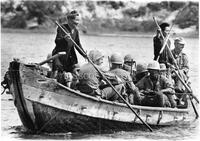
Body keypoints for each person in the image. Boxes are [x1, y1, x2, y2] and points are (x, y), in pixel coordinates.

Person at [52, 10, 86, 77]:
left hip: (70, 57)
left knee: (74, 74)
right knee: (55, 74)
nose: (77, 23)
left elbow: (78, 44)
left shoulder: (76, 31)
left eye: (78, 21)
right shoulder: (62, 28)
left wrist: (84, 54)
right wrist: (64, 39)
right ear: (69, 20)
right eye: (75, 21)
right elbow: (57, 41)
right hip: (59, 55)